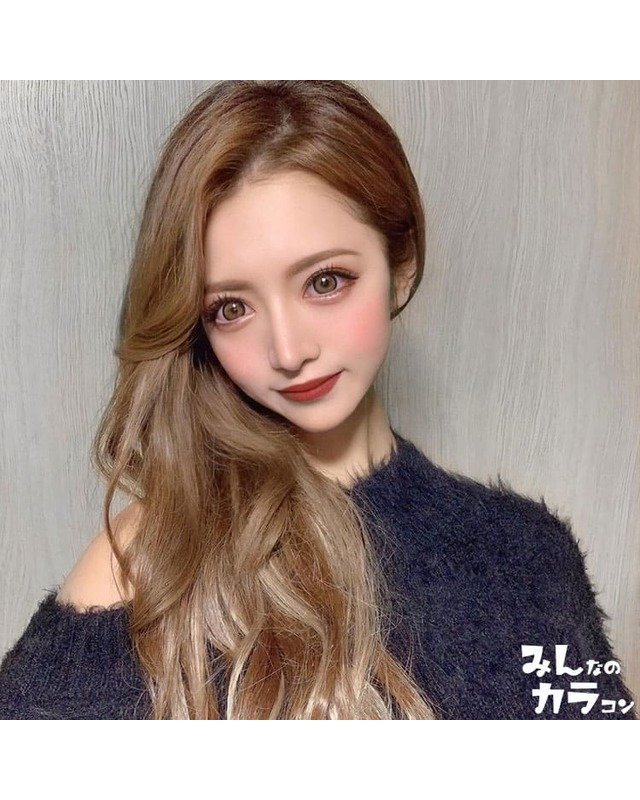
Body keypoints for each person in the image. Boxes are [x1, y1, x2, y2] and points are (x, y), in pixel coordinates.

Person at [0, 80, 635, 720]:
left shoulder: (527, 553)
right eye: (231, 308)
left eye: (325, 281)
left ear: (401, 266)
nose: (288, 350)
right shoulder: (157, 558)